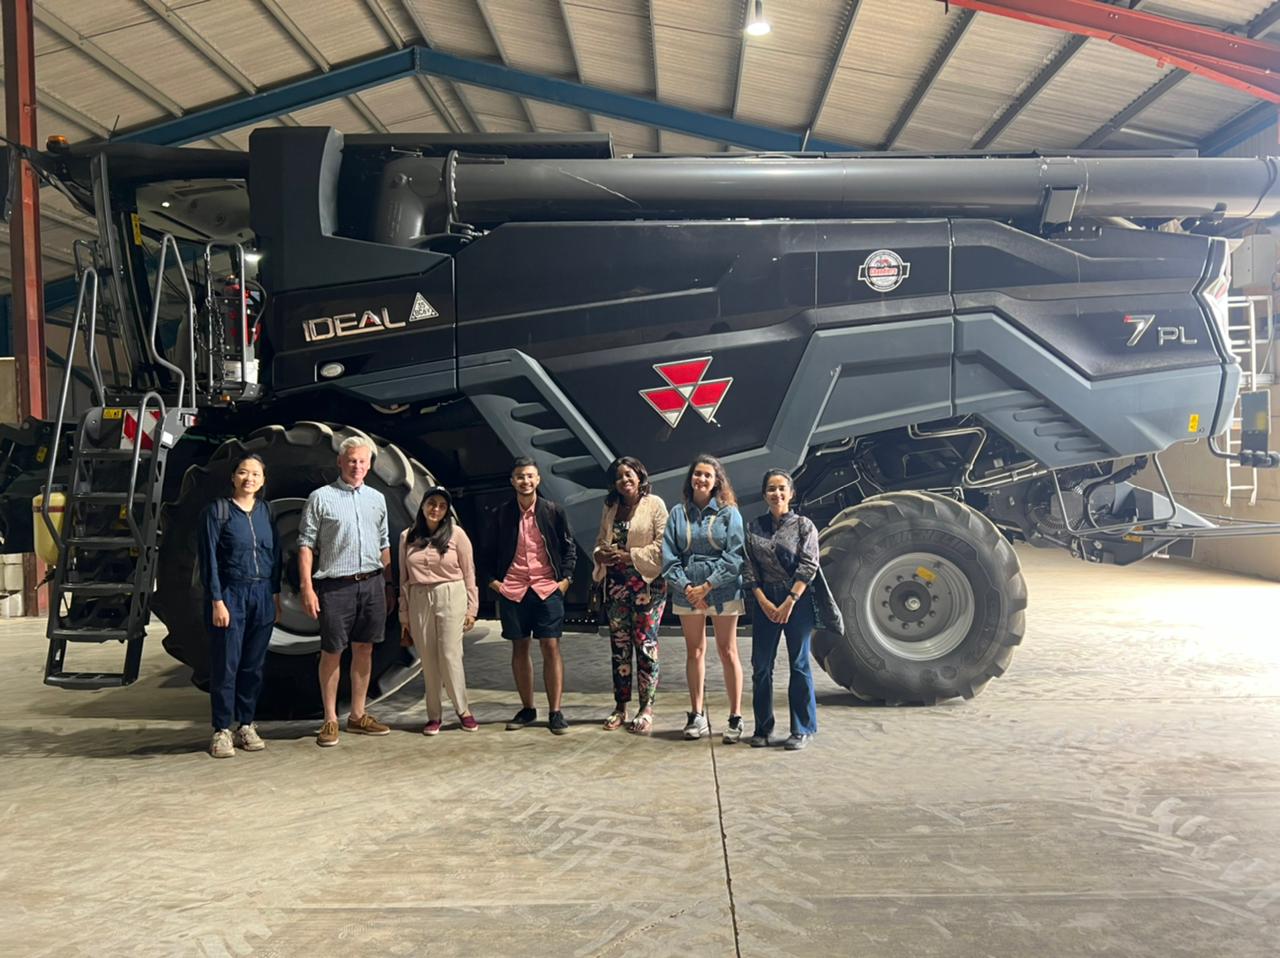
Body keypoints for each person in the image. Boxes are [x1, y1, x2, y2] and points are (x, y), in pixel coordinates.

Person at [298, 435, 393, 747]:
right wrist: (307, 587)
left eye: (363, 461)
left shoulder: (377, 499)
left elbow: (384, 543)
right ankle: (329, 719)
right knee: (333, 651)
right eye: (352, 460)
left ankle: (358, 715)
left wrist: (389, 585)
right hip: (336, 586)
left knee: (365, 648)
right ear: (340, 462)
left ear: (369, 465)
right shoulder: (321, 498)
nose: (357, 466)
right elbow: (306, 545)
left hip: (372, 583)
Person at [483, 458, 577, 735]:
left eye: (530, 476)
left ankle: (555, 711)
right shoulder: (501, 513)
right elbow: (486, 551)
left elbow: (568, 547)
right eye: (520, 477)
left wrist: (566, 580)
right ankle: (527, 708)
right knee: (519, 647)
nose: (525, 481)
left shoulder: (552, 511)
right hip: (513, 589)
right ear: (512, 481)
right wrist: (494, 583)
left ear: (538, 480)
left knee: (551, 646)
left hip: (547, 587)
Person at [199, 453, 282, 758]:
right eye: (244, 473)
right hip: (231, 594)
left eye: (256, 474)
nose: (250, 479)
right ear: (233, 477)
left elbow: (276, 558)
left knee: (253, 666)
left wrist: (275, 594)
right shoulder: (217, 512)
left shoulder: (266, 512)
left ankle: (245, 724)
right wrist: (217, 601)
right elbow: (208, 561)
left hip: (262, 594)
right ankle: (221, 729)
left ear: (263, 480)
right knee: (226, 665)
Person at [661, 454, 746, 743]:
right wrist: (687, 588)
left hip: (723, 590)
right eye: (697, 473)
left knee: (727, 651)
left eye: (708, 475)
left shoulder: (729, 513)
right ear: (691, 478)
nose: (701, 479)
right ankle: (697, 716)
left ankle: (735, 717)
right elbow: (669, 558)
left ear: (716, 481)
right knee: (694, 652)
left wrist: (708, 586)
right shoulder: (677, 513)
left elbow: (735, 556)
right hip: (688, 592)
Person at [744, 469, 821, 751]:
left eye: (781, 488)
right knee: (761, 667)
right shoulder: (754, 527)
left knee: (799, 664)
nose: (776, 494)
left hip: (796, 600)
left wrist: (789, 601)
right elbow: (748, 567)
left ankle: (802, 729)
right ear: (764, 494)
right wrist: (763, 602)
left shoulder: (803, 526)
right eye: (771, 489)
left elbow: (809, 565)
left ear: (790, 493)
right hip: (765, 598)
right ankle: (763, 727)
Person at [591, 456, 668, 735]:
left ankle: (646, 708)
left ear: (639, 475)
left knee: (645, 645)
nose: (624, 480)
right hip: (616, 586)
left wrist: (628, 555)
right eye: (618, 477)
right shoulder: (611, 506)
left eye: (628, 474)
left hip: (647, 586)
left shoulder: (654, 504)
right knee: (619, 646)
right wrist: (602, 554)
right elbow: (601, 540)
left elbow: (663, 545)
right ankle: (620, 706)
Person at [399, 485, 480, 735]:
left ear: (447, 512)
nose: (436, 509)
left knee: (449, 654)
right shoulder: (407, 536)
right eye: (431, 504)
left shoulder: (457, 535)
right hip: (419, 597)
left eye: (442, 506)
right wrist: (404, 615)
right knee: (428, 659)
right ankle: (434, 715)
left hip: (450, 593)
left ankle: (463, 710)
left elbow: (469, 572)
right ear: (422, 506)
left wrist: (472, 608)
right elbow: (403, 578)